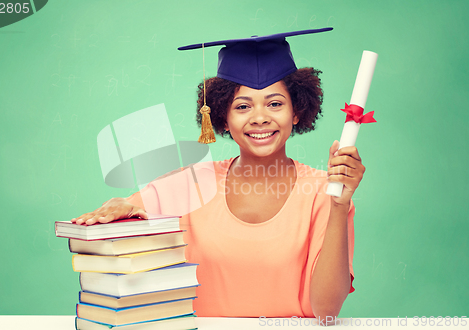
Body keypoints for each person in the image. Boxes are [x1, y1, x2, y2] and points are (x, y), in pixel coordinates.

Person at [71, 29, 366, 321]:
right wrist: (119, 206)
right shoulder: (190, 185)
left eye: (275, 103)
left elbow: (326, 313)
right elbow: (130, 212)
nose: (260, 117)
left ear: (297, 111)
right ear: (222, 116)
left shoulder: (324, 193)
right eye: (243, 106)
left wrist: (339, 207)